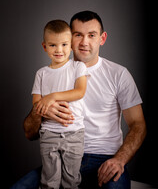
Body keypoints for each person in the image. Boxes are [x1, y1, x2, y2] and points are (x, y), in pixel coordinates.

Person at [11, 11, 146, 189]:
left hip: (105, 159)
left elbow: (138, 124)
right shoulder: (49, 74)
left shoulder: (118, 74)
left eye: (92, 35)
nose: (84, 42)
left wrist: (119, 160)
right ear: (69, 37)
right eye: (78, 35)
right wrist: (41, 111)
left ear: (102, 38)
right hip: (60, 155)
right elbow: (30, 133)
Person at [31, 20, 89, 188]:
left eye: (64, 44)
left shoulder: (78, 67)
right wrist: (44, 102)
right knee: (49, 181)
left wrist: (52, 97)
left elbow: (79, 91)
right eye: (53, 45)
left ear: (71, 46)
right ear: (44, 47)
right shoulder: (41, 74)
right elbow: (37, 104)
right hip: (49, 133)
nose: (59, 50)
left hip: (74, 133)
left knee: (71, 181)